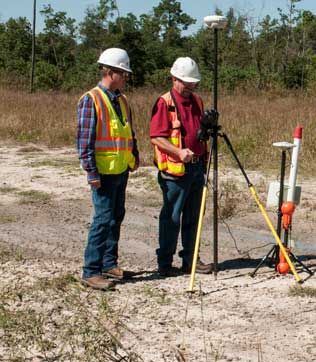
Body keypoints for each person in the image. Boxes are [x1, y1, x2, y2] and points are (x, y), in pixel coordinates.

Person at [77, 48, 139, 291]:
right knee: (102, 220)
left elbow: (127, 132)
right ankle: (91, 270)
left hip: (120, 169)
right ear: (111, 72)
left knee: (116, 218)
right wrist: (91, 173)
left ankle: (108, 263)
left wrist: (133, 157)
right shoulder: (90, 100)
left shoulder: (121, 100)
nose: (126, 78)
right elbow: (85, 141)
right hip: (102, 173)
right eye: (123, 73)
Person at [150, 57, 214, 277]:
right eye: (186, 82)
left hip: (197, 168)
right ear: (174, 78)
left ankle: (190, 261)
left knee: (194, 217)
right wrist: (178, 152)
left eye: (193, 83)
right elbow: (157, 137)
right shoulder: (164, 102)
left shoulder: (197, 101)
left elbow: (199, 134)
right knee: (172, 218)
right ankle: (165, 263)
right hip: (174, 172)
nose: (190, 87)